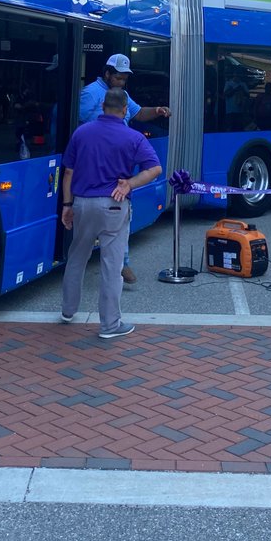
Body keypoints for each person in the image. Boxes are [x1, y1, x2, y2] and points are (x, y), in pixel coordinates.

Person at [60, 87, 162, 338]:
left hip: (83, 203)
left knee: (77, 257)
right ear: (125, 110)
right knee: (112, 265)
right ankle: (110, 325)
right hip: (115, 205)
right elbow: (155, 169)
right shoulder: (133, 137)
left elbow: (69, 173)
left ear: (103, 106)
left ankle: (68, 310)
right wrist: (129, 183)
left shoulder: (81, 133)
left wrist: (67, 205)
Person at [78, 54, 170, 284]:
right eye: (118, 78)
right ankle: (100, 261)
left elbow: (138, 114)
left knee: (120, 215)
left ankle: (121, 263)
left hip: (117, 163)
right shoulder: (90, 94)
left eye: (124, 79)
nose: (121, 82)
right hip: (96, 162)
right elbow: (75, 124)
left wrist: (157, 110)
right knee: (105, 214)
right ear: (107, 74)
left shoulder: (124, 96)